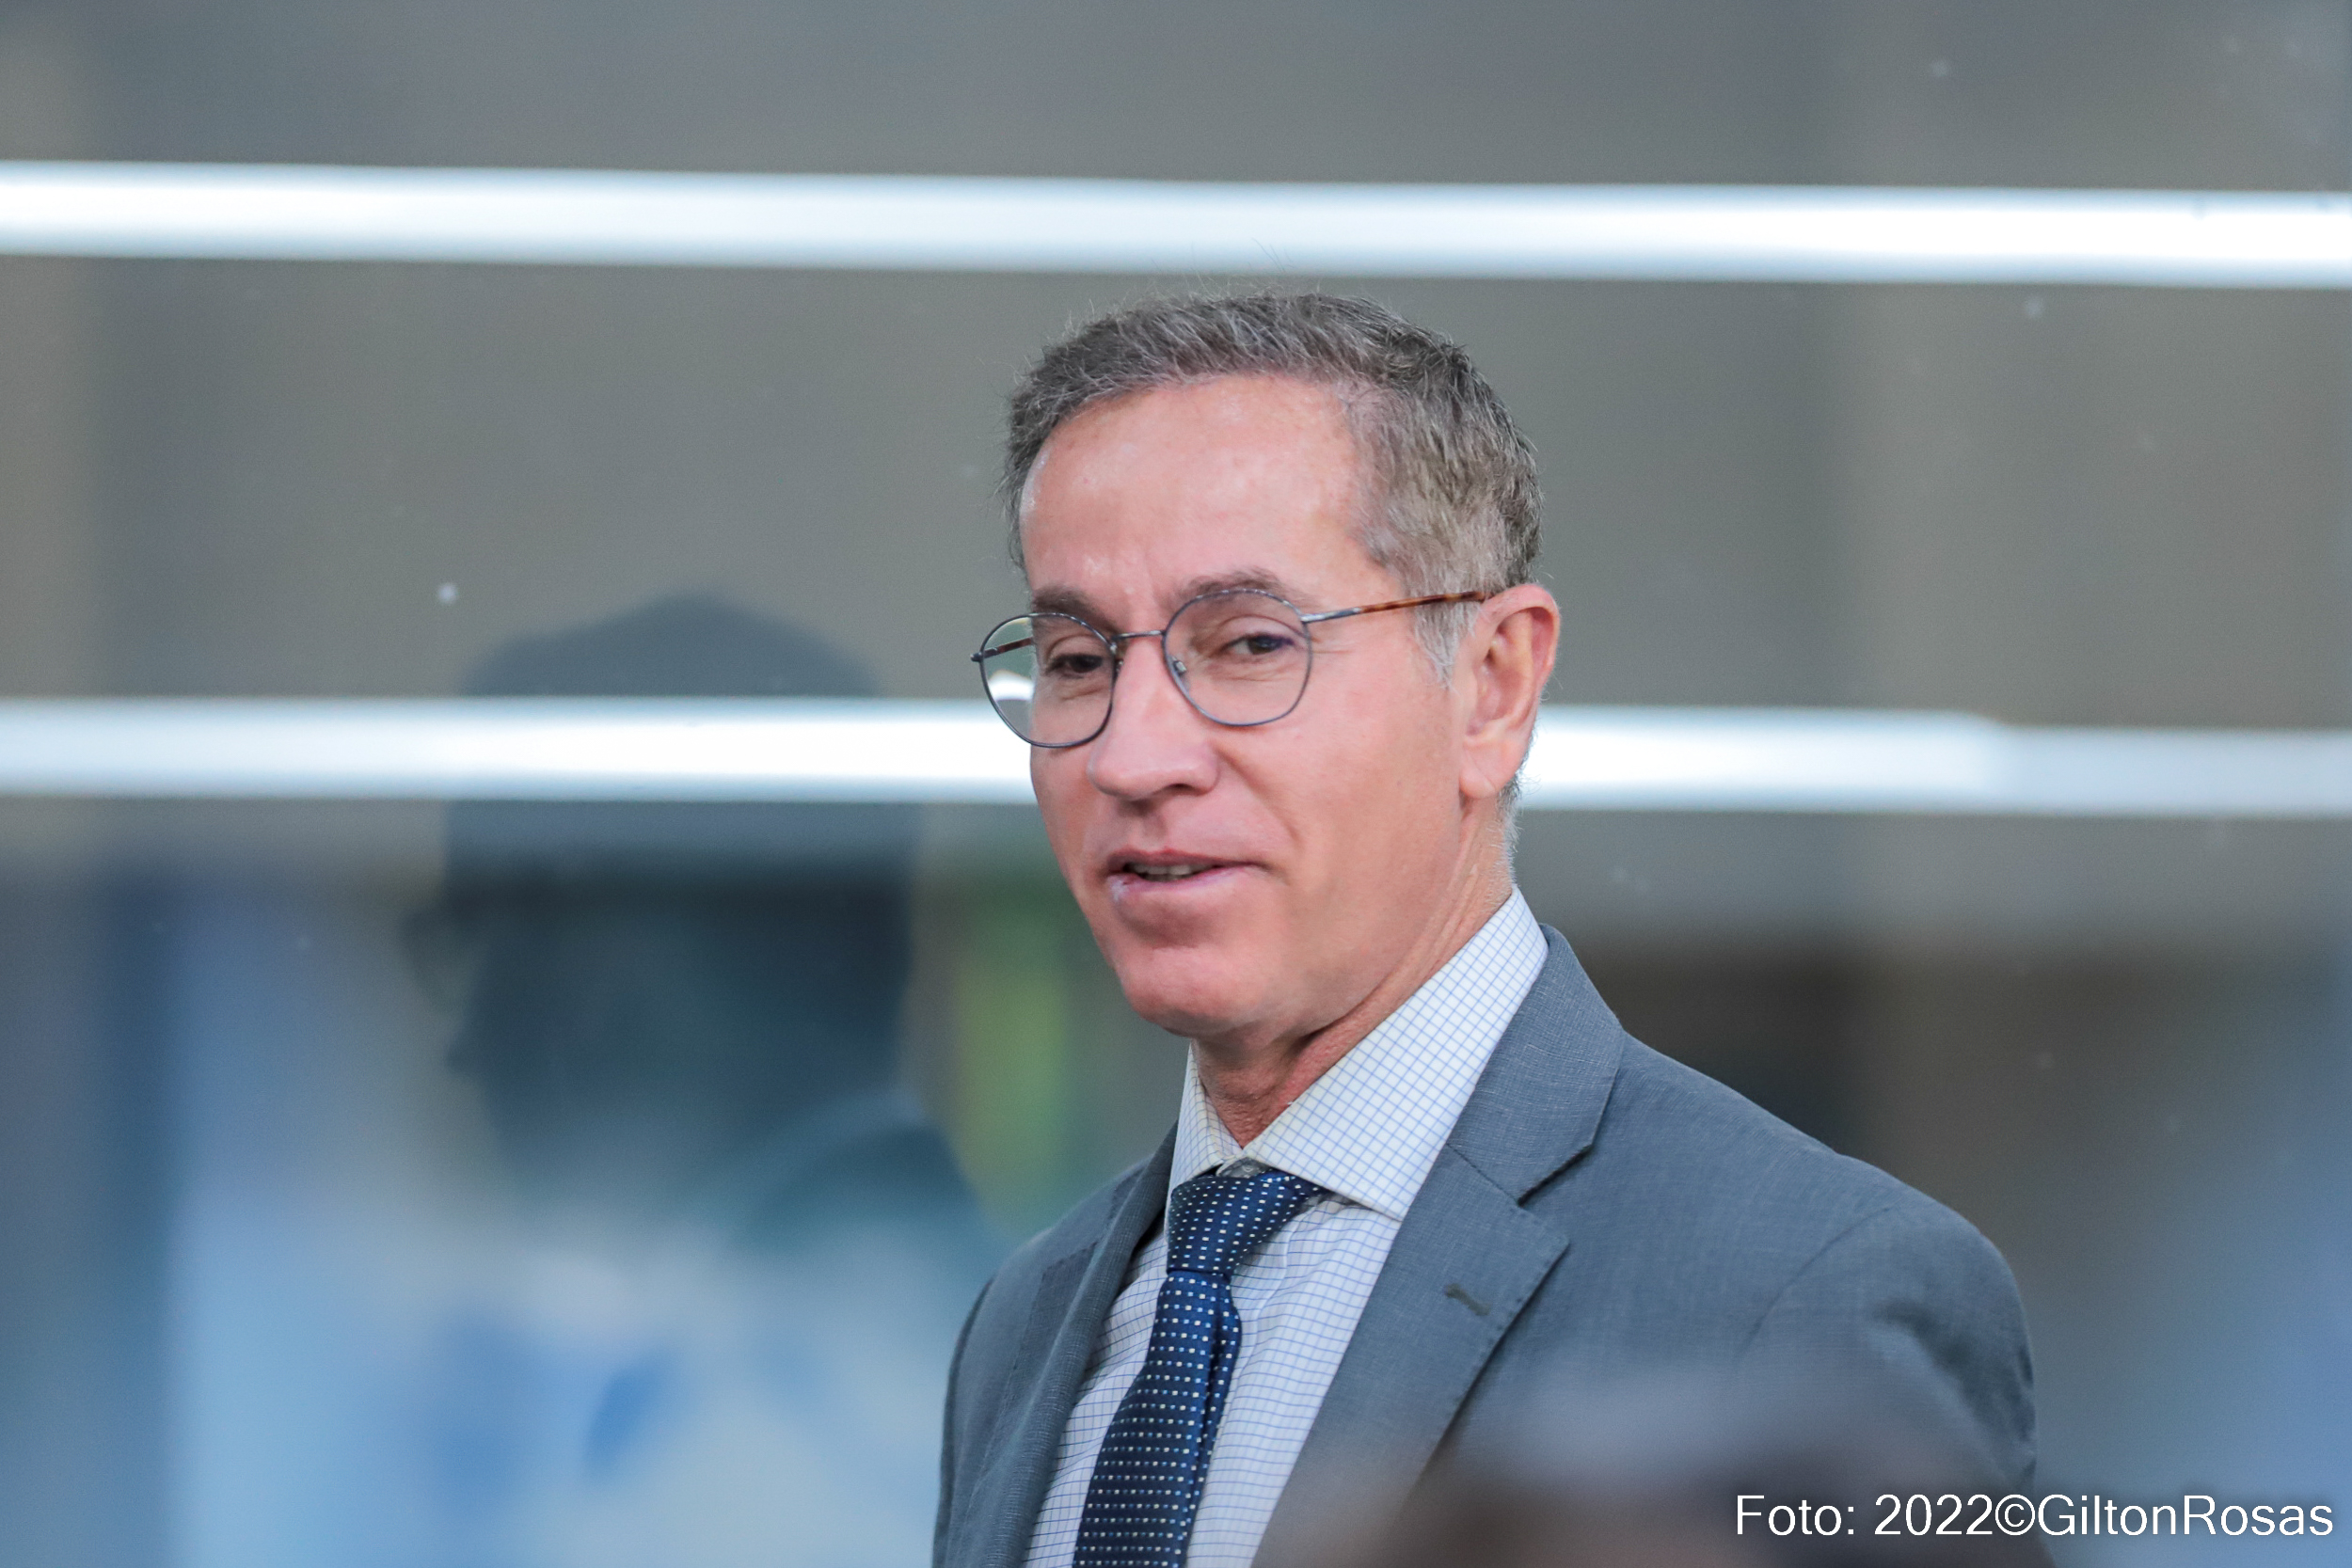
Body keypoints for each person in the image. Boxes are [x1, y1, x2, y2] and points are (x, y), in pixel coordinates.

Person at [935, 295, 2036, 1568]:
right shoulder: (1028, 1317)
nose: (1131, 755)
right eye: (1078, 659)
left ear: (1493, 685)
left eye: (1246, 644)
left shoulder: (1812, 1285)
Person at [410, 594, 997, 1568]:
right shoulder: (928, 1334)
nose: (462, 1043)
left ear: (596, 962)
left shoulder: (785, 1419)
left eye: (466, 942)